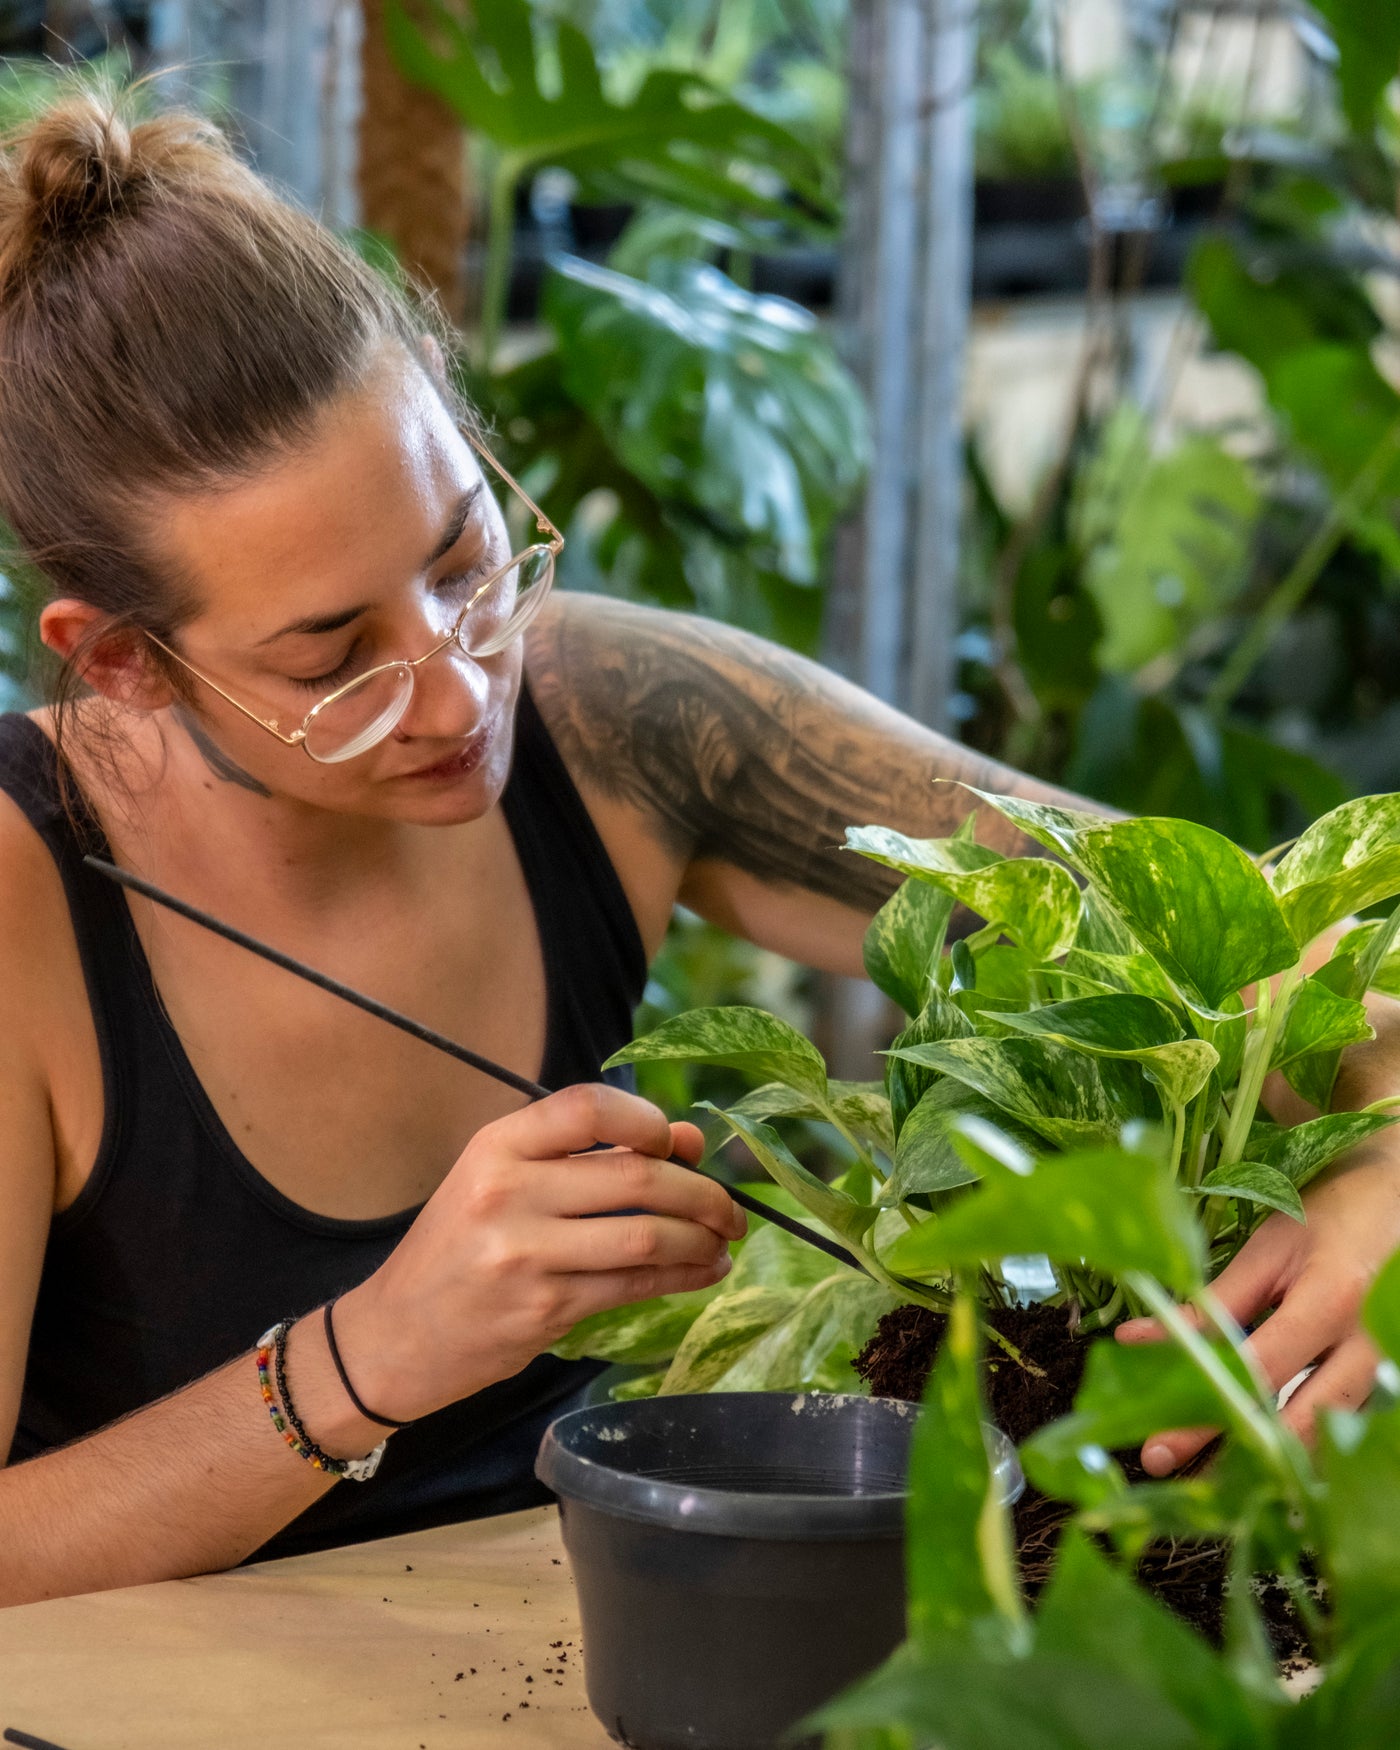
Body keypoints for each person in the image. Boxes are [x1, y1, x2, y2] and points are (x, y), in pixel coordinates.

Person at [0, 88, 1396, 1611]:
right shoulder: (27, 898)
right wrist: (369, 1355)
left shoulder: (615, 716)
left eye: (466, 559)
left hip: (586, 1642)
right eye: (334, 659)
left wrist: (1384, 1150)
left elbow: (1217, 938)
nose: (467, 689)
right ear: (125, 660)